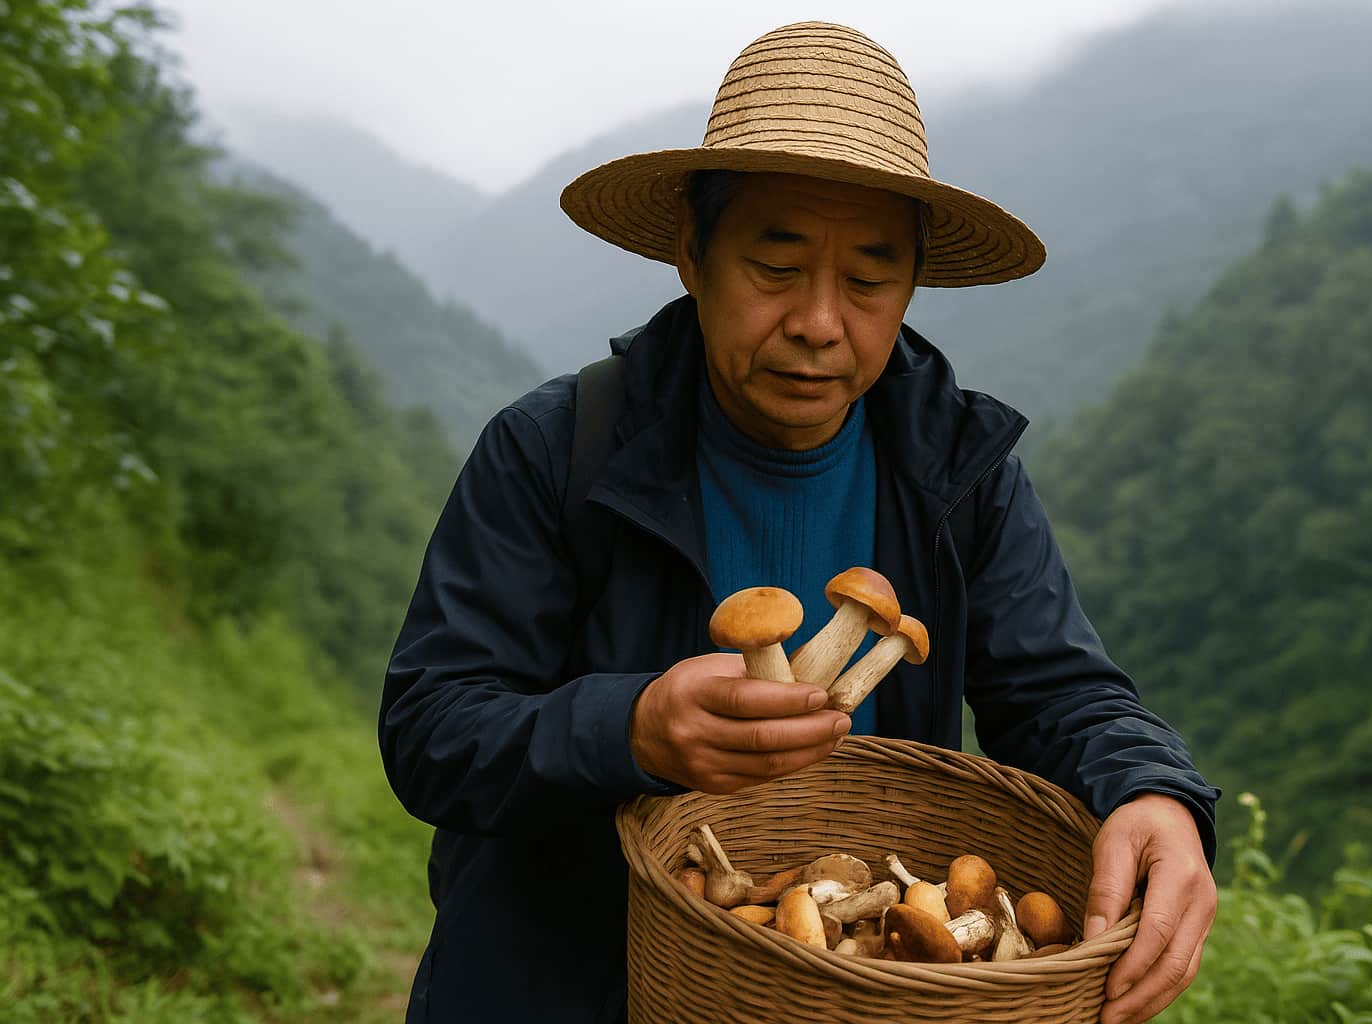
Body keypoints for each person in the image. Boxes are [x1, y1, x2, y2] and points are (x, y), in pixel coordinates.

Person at [381, 20, 1219, 1024]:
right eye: (776, 266)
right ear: (693, 255)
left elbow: (1060, 693)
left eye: (869, 279)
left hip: (843, 993)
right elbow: (431, 728)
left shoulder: (960, 474)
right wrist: (632, 725)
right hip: (561, 987)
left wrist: (1154, 790)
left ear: (912, 284)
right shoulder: (558, 450)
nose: (822, 321)